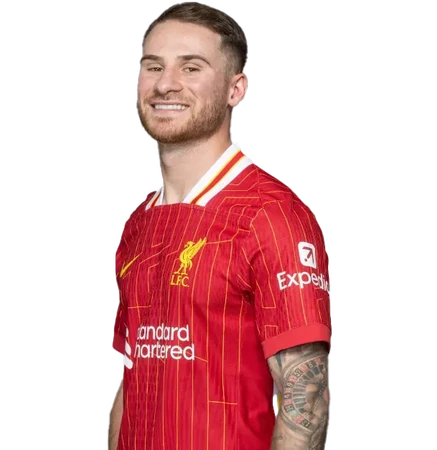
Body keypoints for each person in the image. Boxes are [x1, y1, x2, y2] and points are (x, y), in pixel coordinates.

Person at [108, 1, 334, 449]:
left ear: (236, 89)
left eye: (191, 67)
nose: (166, 83)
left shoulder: (273, 216)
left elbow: (304, 403)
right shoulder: (138, 224)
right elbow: (131, 380)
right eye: (154, 66)